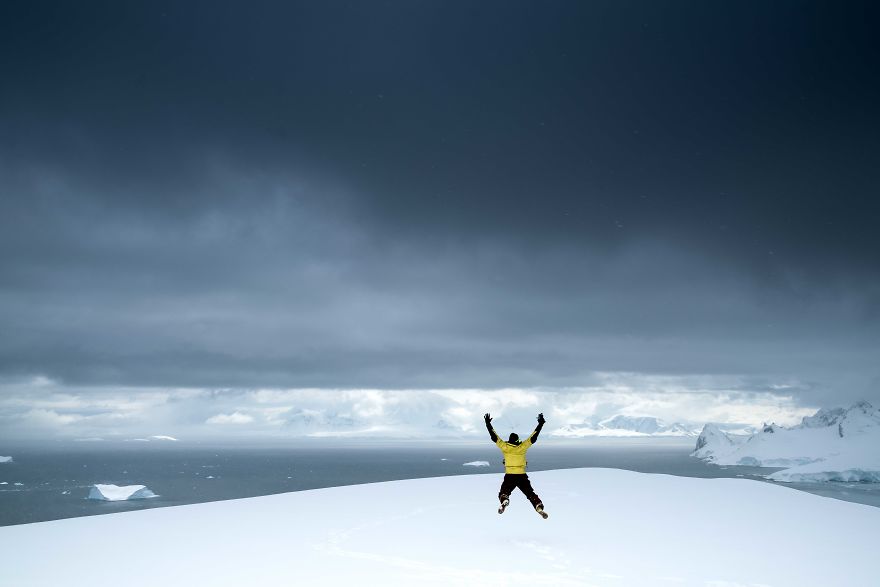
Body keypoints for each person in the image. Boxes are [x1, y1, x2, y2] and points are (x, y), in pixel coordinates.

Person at [484, 412, 548, 519]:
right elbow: (534, 436)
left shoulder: (505, 447)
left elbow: (494, 436)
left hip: (510, 475)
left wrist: (487, 423)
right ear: (518, 440)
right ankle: (538, 506)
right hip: (522, 475)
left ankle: (504, 500)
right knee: (529, 493)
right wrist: (541, 423)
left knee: (504, 492)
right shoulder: (522, 447)